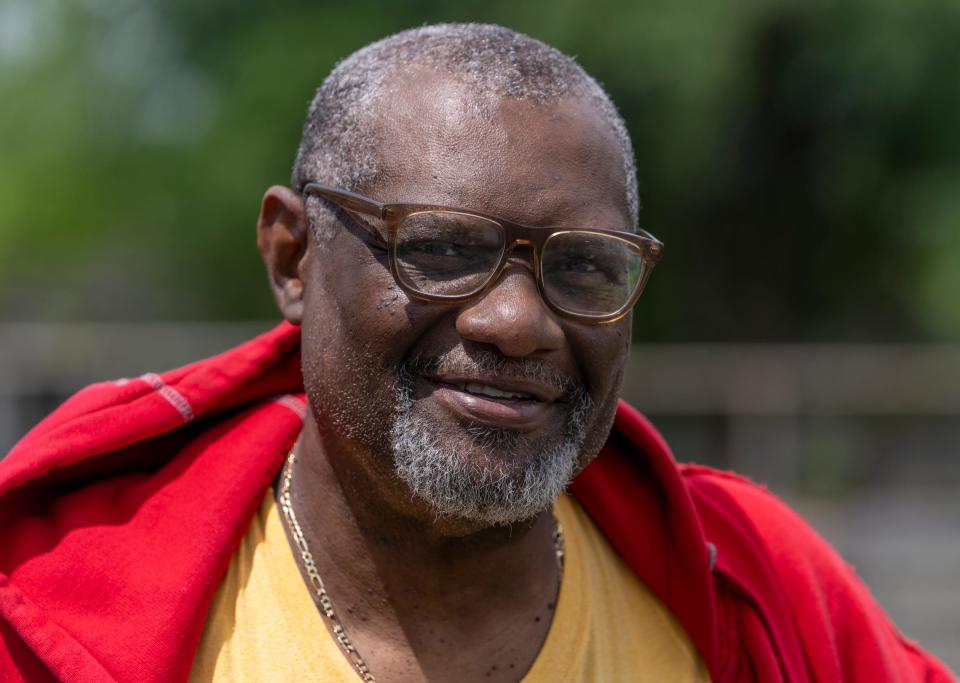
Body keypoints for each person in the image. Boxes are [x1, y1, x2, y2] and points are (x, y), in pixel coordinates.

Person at [0, 23, 952, 683]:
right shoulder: (52, 612)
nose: (516, 321)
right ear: (293, 257)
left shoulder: (750, 589)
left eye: (583, 268)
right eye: (442, 249)